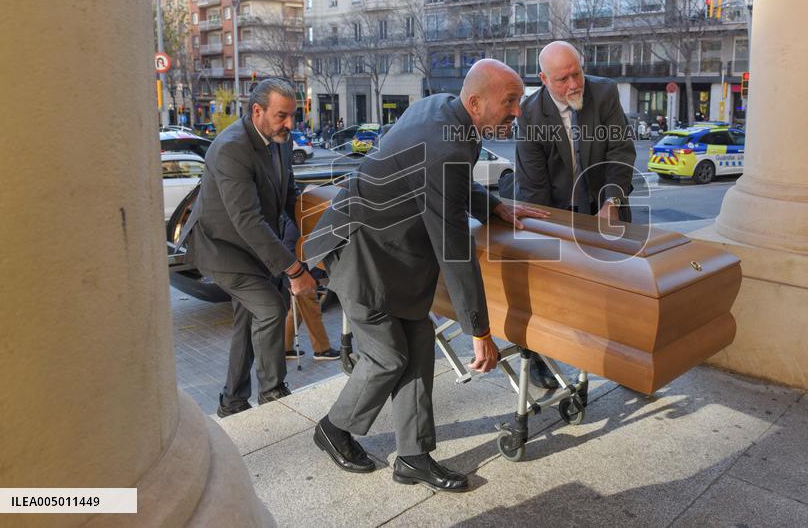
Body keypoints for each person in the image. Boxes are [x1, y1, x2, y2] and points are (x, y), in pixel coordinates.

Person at [302, 59, 546, 492]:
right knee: (387, 357)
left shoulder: (445, 111)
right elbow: (454, 247)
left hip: (395, 257)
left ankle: (413, 456)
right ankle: (333, 429)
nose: (517, 112)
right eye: (510, 102)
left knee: (417, 351)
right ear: (475, 102)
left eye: (519, 102)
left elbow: (444, 183)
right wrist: (480, 330)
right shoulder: (445, 142)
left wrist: (491, 205)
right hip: (361, 253)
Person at [183, 78, 318, 418]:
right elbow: (248, 220)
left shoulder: (281, 141)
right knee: (271, 308)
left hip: (252, 246)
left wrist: (314, 228)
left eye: (293, 115)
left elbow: (287, 194)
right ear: (257, 111)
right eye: (282, 115)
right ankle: (273, 394)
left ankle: (233, 401)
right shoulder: (231, 147)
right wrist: (294, 270)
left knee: (248, 319)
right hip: (222, 248)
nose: (290, 124)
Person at [513, 41, 637, 389]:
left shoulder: (605, 92)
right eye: (562, 78)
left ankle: (628, 361)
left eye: (577, 73)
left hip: (605, 205)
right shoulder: (529, 114)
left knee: (620, 288)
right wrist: (554, 237)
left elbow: (621, 150)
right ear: (544, 79)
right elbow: (534, 187)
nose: (573, 85)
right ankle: (537, 355)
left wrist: (611, 200)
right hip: (557, 209)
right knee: (549, 290)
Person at [279, 215, 339, 361]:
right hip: (301, 277)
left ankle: (285, 349)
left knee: (296, 313)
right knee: (312, 312)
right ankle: (322, 350)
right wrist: (298, 274)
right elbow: (288, 248)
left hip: (299, 275)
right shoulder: (297, 221)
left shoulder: (298, 218)